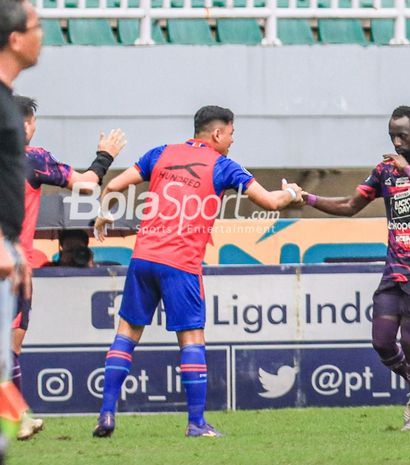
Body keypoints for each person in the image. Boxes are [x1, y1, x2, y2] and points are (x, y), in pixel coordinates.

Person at [91, 105, 303, 438]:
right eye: (231, 134)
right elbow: (270, 203)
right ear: (217, 133)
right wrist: (292, 193)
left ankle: (106, 414)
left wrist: (104, 214)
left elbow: (115, 184)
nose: (232, 142)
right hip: (181, 264)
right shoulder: (223, 165)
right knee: (191, 340)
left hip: (143, 257)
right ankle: (196, 423)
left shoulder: (160, 153)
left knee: (126, 335)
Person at [302, 106, 410, 432]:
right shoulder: (384, 171)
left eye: (403, 135)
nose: (397, 142)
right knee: (383, 341)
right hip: (394, 270)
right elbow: (349, 205)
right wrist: (309, 198)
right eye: (392, 136)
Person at [10, 95, 126, 439]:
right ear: (26, 123)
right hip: (11, 267)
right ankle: (18, 418)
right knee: (10, 347)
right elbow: (87, 183)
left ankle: (19, 417)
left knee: (8, 348)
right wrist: (106, 155)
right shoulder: (32, 159)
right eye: (31, 122)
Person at [0, 0, 42, 449]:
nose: (43, 35)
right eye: (37, 27)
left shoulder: (7, 106)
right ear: (15, 39)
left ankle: (18, 418)